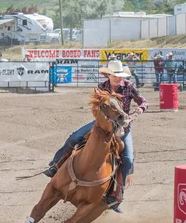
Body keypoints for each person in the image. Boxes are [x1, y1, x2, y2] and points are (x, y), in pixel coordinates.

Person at [43, 60, 148, 213]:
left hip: (122, 126)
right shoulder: (102, 88)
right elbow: (96, 108)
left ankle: (118, 193)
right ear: (109, 75)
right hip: (102, 124)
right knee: (74, 138)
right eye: (115, 75)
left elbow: (143, 101)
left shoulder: (129, 87)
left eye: (120, 76)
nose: (118, 78)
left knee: (127, 159)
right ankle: (56, 165)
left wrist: (136, 112)